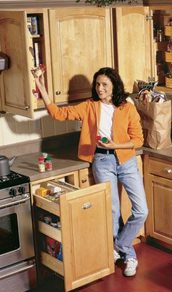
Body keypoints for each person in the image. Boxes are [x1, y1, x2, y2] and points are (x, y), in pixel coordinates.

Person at [32, 66, 148, 277]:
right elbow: (57, 114)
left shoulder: (126, 107)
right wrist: (39, 81)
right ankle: (129, 256)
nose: (100, 88)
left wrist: (117, 146)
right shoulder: (89, 106)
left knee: (141, 211)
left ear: (114, 86)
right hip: (102, 160)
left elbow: (139, 139)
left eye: (104, 84)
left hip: (127, 160)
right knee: (112, 211)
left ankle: (118, 247)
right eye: (97, 84)